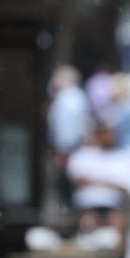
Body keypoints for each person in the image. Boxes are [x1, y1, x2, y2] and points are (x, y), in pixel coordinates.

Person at [67, 124, 130, 254]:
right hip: (87, 207)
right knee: (88, 223)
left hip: (112, 207)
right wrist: (111, 184)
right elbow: (79, 179)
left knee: (118, 224)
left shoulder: (123, 160)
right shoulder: (83, 157)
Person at [47, 66, 91, 207]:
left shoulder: (68, 98)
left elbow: (66, 128)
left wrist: (63, 151)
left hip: (69, 150)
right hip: (71, 149)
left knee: (68, 188)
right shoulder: (76, 96)